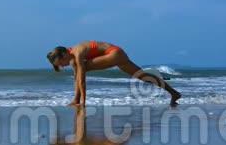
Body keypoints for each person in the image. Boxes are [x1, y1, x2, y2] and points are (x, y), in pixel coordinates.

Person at [46, 40, 182, 106]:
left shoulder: (77, 52)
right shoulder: (73, 58)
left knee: (82, 69)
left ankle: (77, 100)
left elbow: (80, 79)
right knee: (143, 77)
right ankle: (174, 93)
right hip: (118, 55)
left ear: (64, 54)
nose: (63, 66)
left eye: (61, 63)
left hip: (113, 53)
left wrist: (83, 103)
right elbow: (78, 78)